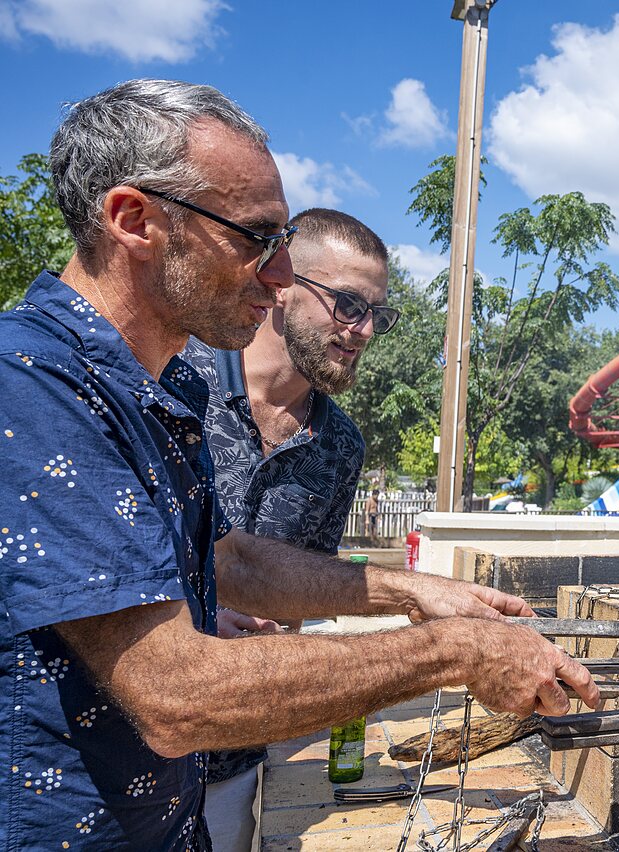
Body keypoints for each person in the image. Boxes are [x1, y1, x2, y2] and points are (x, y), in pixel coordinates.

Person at [0, 79, 597, 851]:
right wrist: (453, 652)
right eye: (255, 238)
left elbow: (228, 557)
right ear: (134, 220)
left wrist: (416, 592)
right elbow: (173, 693)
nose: (279, 278)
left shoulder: (164, 380)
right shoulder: (33, 385)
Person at [181, 208, 398, 851]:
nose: (361, 332)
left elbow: (305, 592)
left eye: (376, 316)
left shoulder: (341, 445)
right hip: (118, 753)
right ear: (281, 283)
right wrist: (197, 614)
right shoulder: (169, 379)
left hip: (239, 763)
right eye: (348, 305)